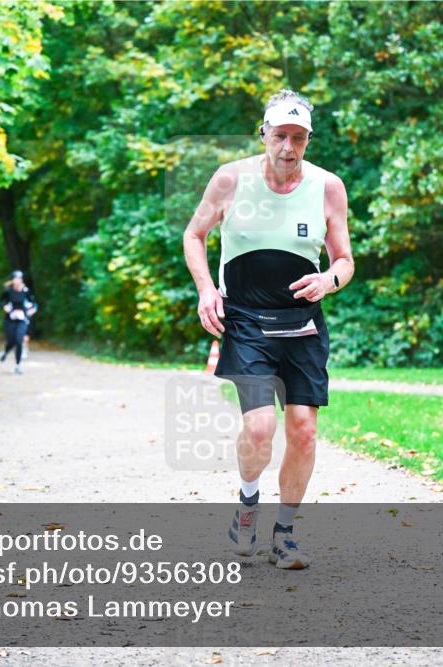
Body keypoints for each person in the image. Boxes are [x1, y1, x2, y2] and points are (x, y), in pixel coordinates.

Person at [183, 89, 353, 569]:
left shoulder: (328, 187)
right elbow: (194, 235)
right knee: (259, 429)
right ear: (263, 134)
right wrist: (205, 291)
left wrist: (328, 280)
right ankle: (247, 502)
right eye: (280, 136)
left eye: (299, 137)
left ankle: (285, 533)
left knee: (303, 431)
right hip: (247, 322)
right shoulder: (231, 179)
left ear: (308, 140)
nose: (288, 147)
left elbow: (344, 260)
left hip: (302, 325)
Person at [0, 270, 39, 374]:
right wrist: (4, 307)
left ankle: (18, 365)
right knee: (11, 341)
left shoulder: (25, 290)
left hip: (22, 319)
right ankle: (6, 352)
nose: (18, 280)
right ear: (12, 279)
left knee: (19, 340)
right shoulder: (7, 290)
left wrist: (32, 310)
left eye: (20, 278)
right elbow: (0, 301)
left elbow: (33, 303)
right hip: (10, 319)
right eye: (16, 278)